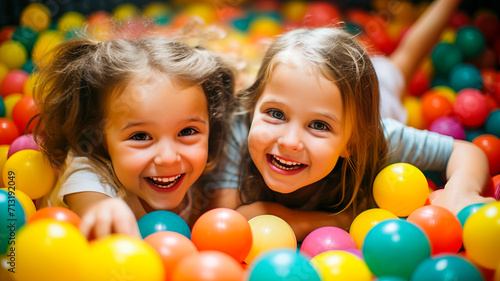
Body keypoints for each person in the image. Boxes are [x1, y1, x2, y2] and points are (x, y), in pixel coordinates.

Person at [230, 26, 494, 242]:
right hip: (339, 88)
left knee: (401, 65)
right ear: (252, 108)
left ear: (352, 143)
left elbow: (465, 150)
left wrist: (460, 191)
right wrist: (335, 221)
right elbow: (233, 214)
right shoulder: (238, 131)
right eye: (276, 114)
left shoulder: (381, 140)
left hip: (380, 98)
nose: (289, 141)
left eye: (319, 126)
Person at [35, 35, 236, 239]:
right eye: (141, 136)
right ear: (100, 138)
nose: (168, 157)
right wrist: (105, 211)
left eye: (187, 132)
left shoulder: (207, 164)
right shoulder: (88, 171)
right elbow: (93, 212)